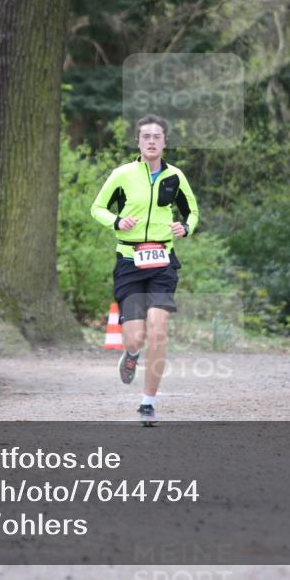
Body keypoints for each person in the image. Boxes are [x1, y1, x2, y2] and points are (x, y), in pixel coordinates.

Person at [90, 114, 199, 426]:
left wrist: (185, 227)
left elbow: (192, 210)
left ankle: (148, 403)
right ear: (138, 142)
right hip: (129, 262)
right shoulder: (122, 175)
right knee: (135, 337)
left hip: (163, 261)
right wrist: (116, 221)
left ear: (165, 142)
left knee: (159, 331)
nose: (151, 141)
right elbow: (97, 207)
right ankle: (132, 354)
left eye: (157, 137)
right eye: (146, 136)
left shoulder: (175, 177)